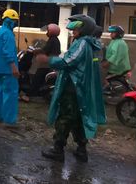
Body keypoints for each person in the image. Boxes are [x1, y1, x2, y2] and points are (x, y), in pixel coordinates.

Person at [37, 14, 106, 163]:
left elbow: (69, 61)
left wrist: (48, 60)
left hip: (73, 87)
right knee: (79, 118)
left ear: (83, 28)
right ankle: (81, 150)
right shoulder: (91, 43)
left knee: (65, 118)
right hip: (81, 86)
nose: (72, 31)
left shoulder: (82, 43)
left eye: (76, 28)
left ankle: (58, 149)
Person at [0, 9, 20, 126]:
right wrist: (14, 67)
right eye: (15, 21)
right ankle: (9, 120)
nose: (16, 24)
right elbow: (8, 52)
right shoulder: (8, 33)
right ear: (10, 21)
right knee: (10, 93)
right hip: (7, 69)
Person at [102, 25, 131, 90]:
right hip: (114, 66)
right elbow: (110, 50)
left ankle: (107, 89)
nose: (111, 34)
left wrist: (107, 63)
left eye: (113, 33)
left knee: (103, 77)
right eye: (111, 33)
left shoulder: (120, 43)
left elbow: (116, 56)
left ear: (118, 34)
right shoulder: (114, 41)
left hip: (118, 68)